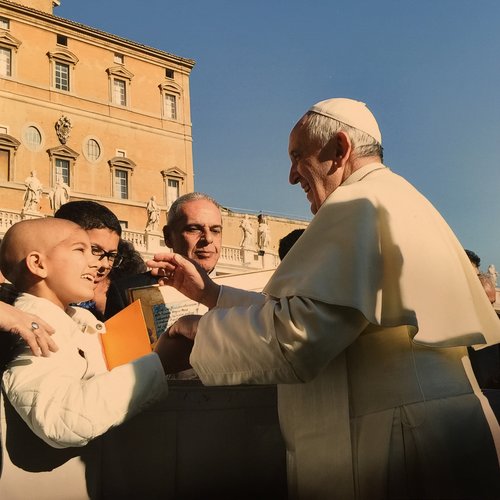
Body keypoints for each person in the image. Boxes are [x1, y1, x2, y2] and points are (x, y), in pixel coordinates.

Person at [150, 98, 500, 499]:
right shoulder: (397, 196)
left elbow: (296, 339)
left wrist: (200, 331)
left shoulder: (354, 204)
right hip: (437, 429)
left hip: (399, 441)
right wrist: (210, 294)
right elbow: (316, 310)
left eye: (298, 156)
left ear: (340, 149)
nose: (290, 175)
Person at [0, 218, 190, 449]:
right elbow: (61, 419)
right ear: (38, 264)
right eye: (80, 250)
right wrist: (159, 363)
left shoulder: (73, 320)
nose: (97, 264)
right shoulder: (34, 330)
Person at [104, 192, 222, 319]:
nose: (208, 238)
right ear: (168, 236)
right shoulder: (128, 292)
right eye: (194, 229)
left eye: (215, 230)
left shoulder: (242, 295)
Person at [55, 200, 123, 320]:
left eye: (112, 255)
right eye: (95, 250)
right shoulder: (17, 314)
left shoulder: (120, 303)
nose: (104, 264)